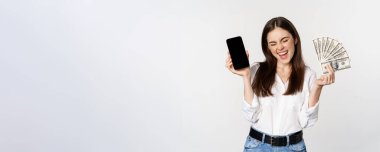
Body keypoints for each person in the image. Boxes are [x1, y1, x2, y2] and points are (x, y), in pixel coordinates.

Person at [225, 17, 335, 152]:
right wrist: (246, 77)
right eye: (273, 43)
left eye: (284, 40)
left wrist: (318, 87)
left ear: (295, 39)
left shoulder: (308, 75)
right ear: (268, 47)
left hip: (293, 147)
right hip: (257, 147)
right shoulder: (256, 70)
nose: (280, 47)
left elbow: (305, 122)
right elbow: (251, 116)